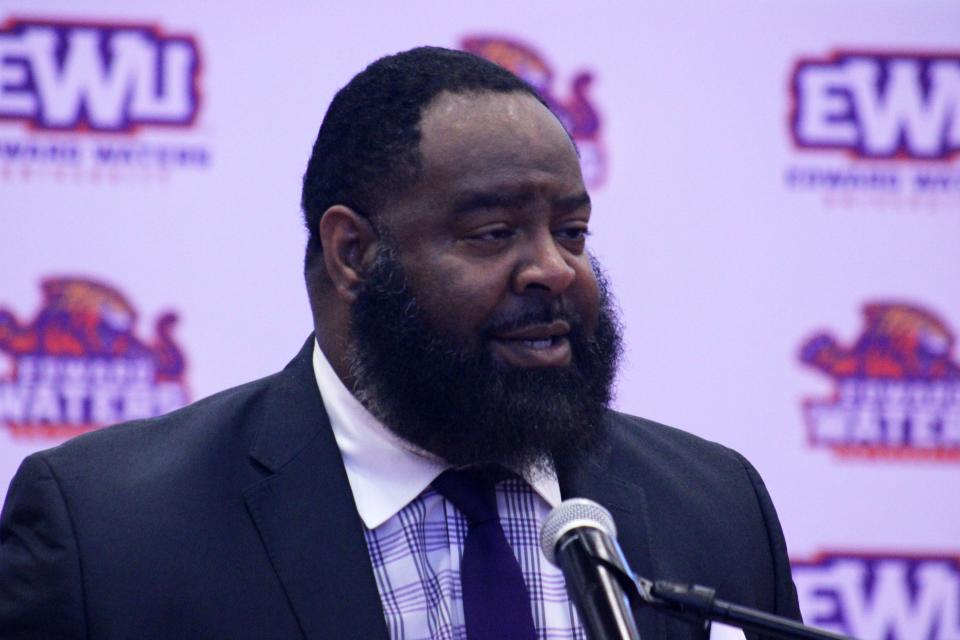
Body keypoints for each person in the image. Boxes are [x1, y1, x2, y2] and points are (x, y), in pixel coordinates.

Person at [0, 47, 800, 639]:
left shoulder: (718, 510)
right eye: (494, 233)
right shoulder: (111, 534)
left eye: (572, 231)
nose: (554, 270)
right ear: (354, 253)